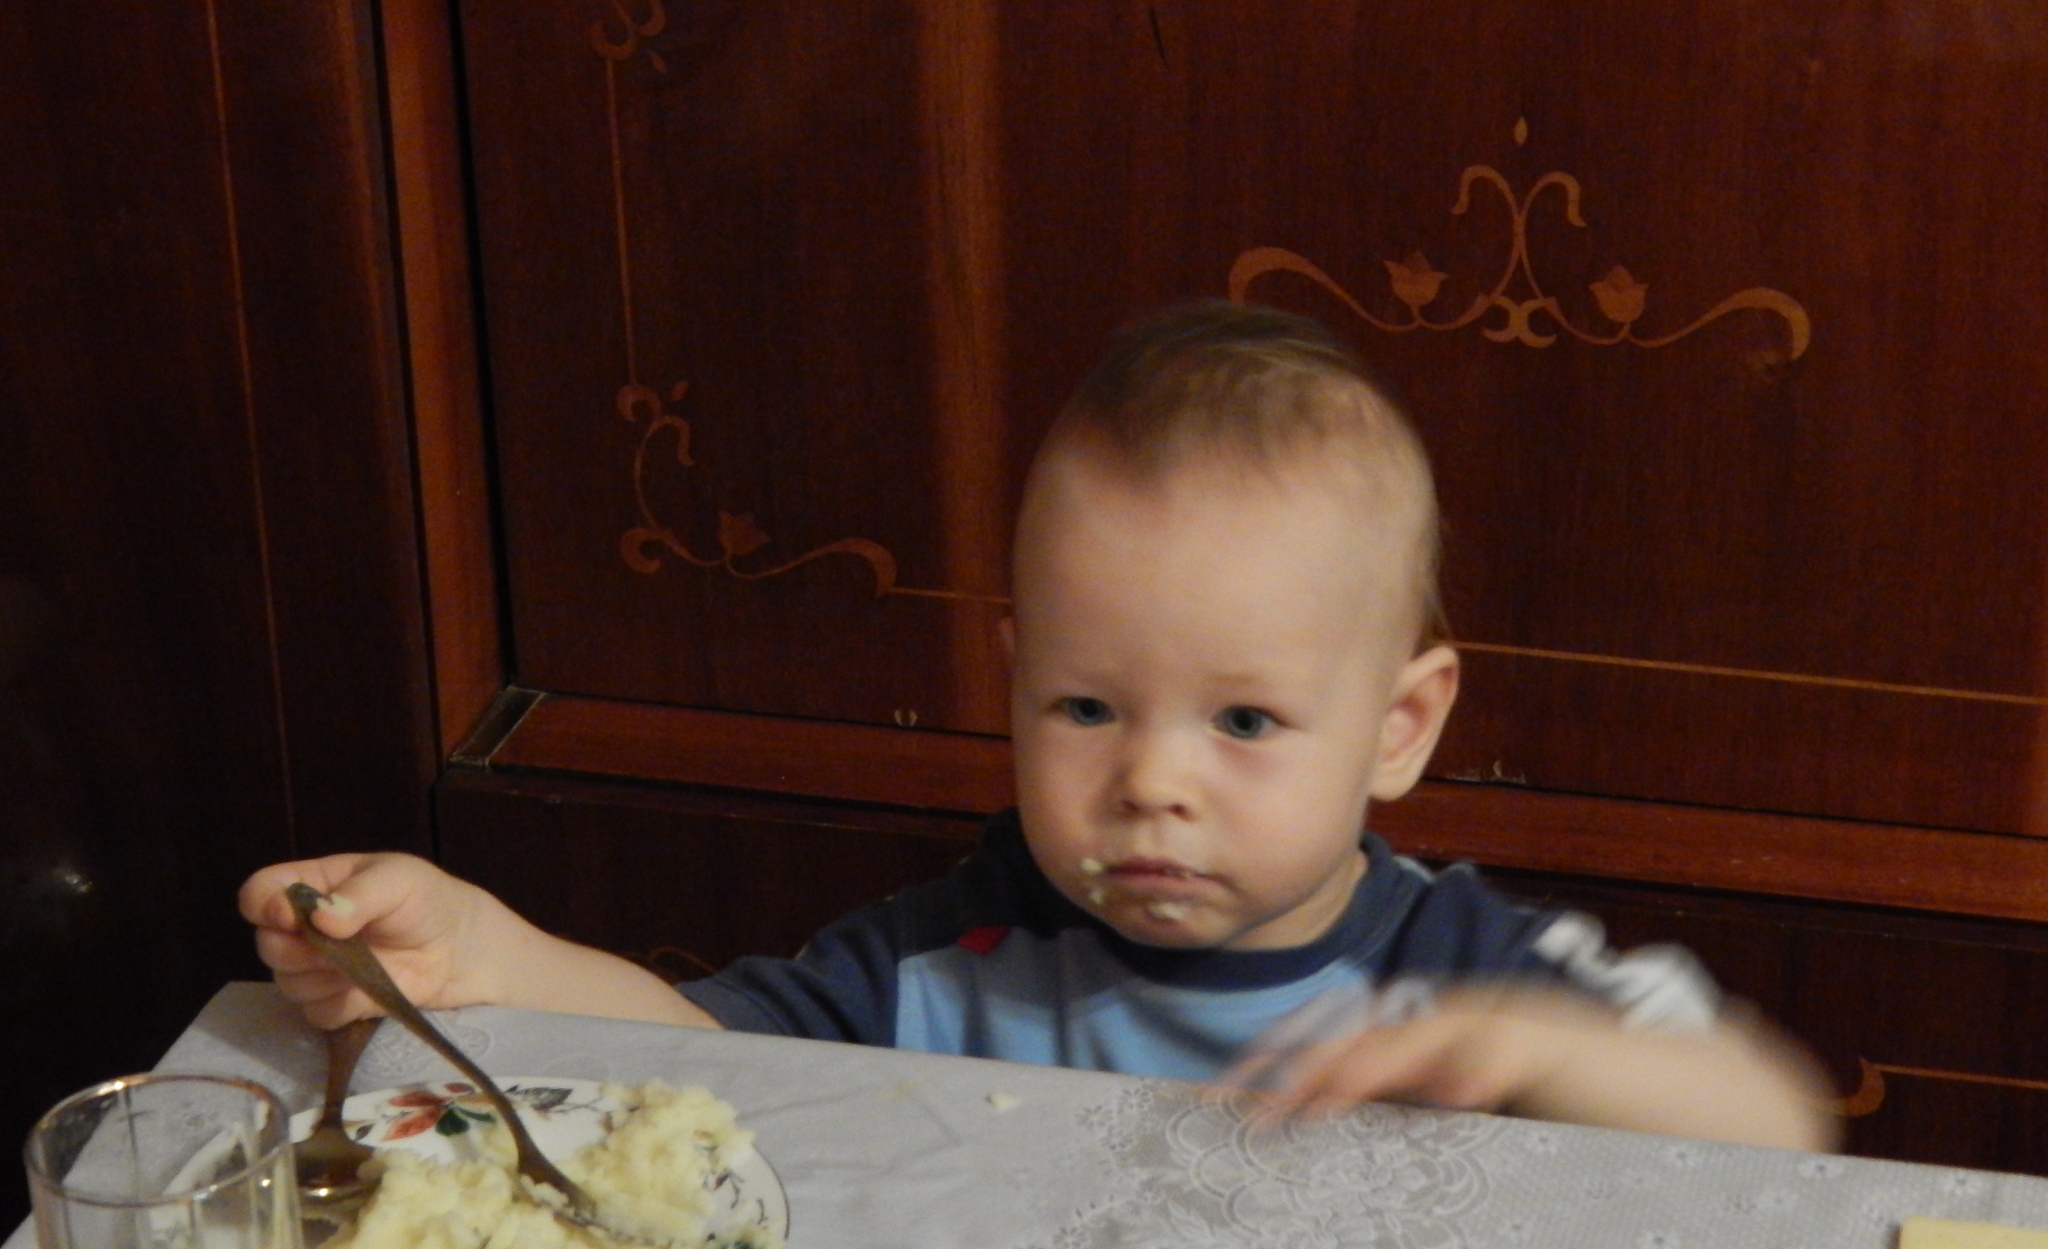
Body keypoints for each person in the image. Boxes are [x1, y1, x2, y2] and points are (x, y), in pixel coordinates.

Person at [242, 302, 1835, 1150]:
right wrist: (485, 949)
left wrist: (1538, 1050)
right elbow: (700, 1056)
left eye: (1245, 719)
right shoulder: (964, 953)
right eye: (1084, 706)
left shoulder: (1459, 966)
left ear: (1401, 727)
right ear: (1010, 679)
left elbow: (1779, 1127)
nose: (1150, 780)